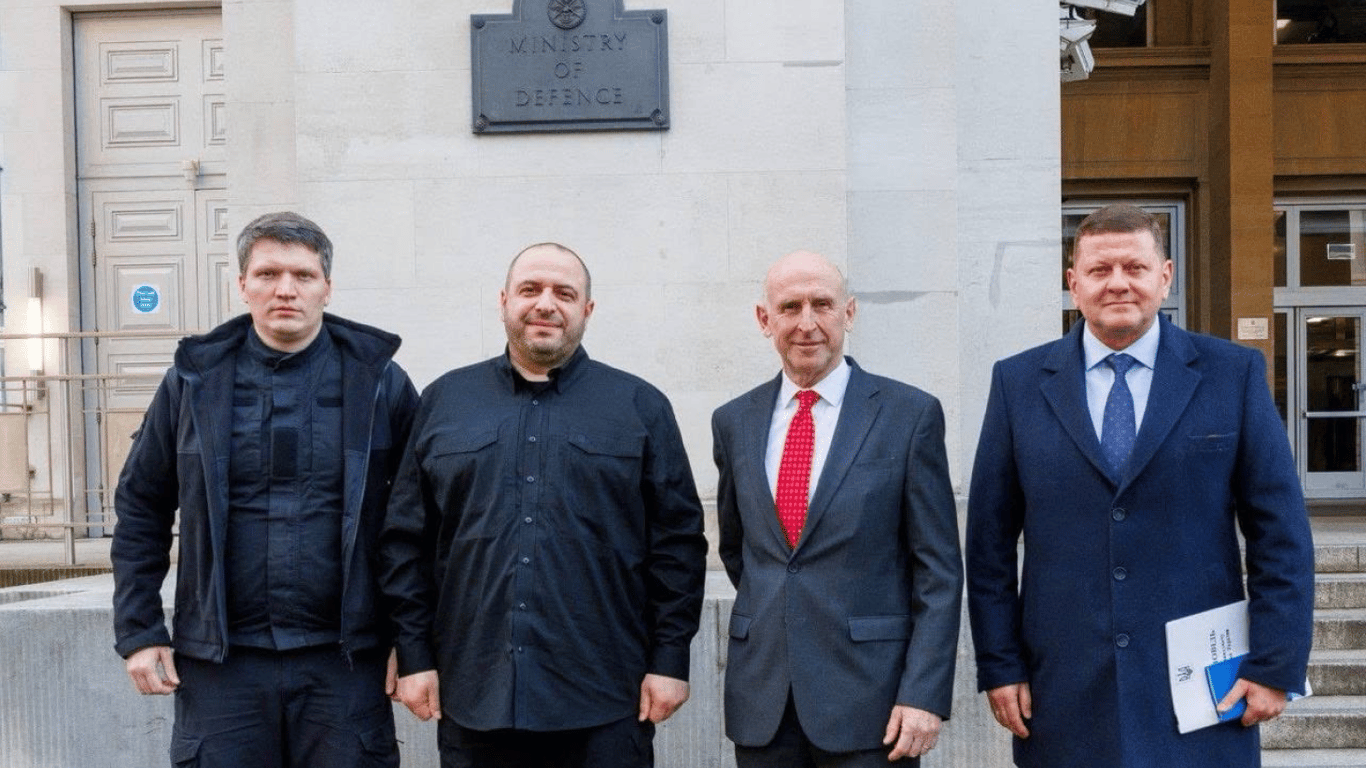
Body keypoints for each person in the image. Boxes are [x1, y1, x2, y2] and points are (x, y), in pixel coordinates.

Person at [966, 203, 1315, 767]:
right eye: (1100, 270)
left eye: (1135, 267)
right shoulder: (1018, 383)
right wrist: (1000, 664)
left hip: (1203, 692)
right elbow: (989, 546)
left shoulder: (1233, 374)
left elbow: (1282, 536)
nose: (1118, 283)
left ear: (1165, 276)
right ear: (1073, 282)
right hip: (1063, 690)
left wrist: (1275, 665)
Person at [379, 242, 708, 768]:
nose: (546, 304)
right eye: (530, 289)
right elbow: (404, 542)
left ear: (587, 309)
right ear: (504, 301)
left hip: (606, 698)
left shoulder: (640, 406)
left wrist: (670, 659)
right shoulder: (445, 401)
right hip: (475, 696)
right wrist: (414, 654)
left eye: (564, 293)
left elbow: (678, 545)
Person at [111, 211, 419, 768]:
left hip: (344, 663)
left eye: (303, 275)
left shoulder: (379, 384)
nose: (285, 290)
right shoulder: (192, 383)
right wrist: (140, 630)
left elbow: (417, 521)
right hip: (221, 664)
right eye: (268, 274)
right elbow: (141, 506)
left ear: (327, 287)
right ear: (242, 285)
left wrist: (413, 641)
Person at [713, 250, 963, 767]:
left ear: (848, 313)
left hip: (873, 704)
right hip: (764, 701)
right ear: (765, 319)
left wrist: (923, 693)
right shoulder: (734, 421)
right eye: (790, 307)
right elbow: (743, 553)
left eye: (822, 304)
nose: (807, 323)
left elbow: (937, 570)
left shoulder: (909, 415)